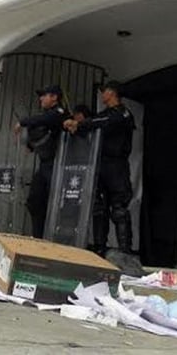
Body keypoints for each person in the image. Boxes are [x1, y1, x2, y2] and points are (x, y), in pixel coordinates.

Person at [64, 80, 135, 257]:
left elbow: (105, 121)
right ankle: (99, 250)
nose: (102, 95)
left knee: (119, 209)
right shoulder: (102, 115)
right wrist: (75, 126)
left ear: (111, 92)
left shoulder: (123, 113)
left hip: (117, 166)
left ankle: (125, 253)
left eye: (104, 91)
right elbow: (94, 124)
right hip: (100, 165)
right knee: (99, 209)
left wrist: (80, 124)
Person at [14, 84, 67, 239]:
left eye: (45, 95)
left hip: (57, 165)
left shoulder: (58, 112)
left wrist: (23, 122)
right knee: (34, 201)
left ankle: (54, 238)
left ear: (54, 98)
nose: (41, 98)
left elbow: (45, 119)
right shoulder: (45, 116)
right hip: (45, 165)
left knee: (56, 203)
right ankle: (39, 238)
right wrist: (31, 144)